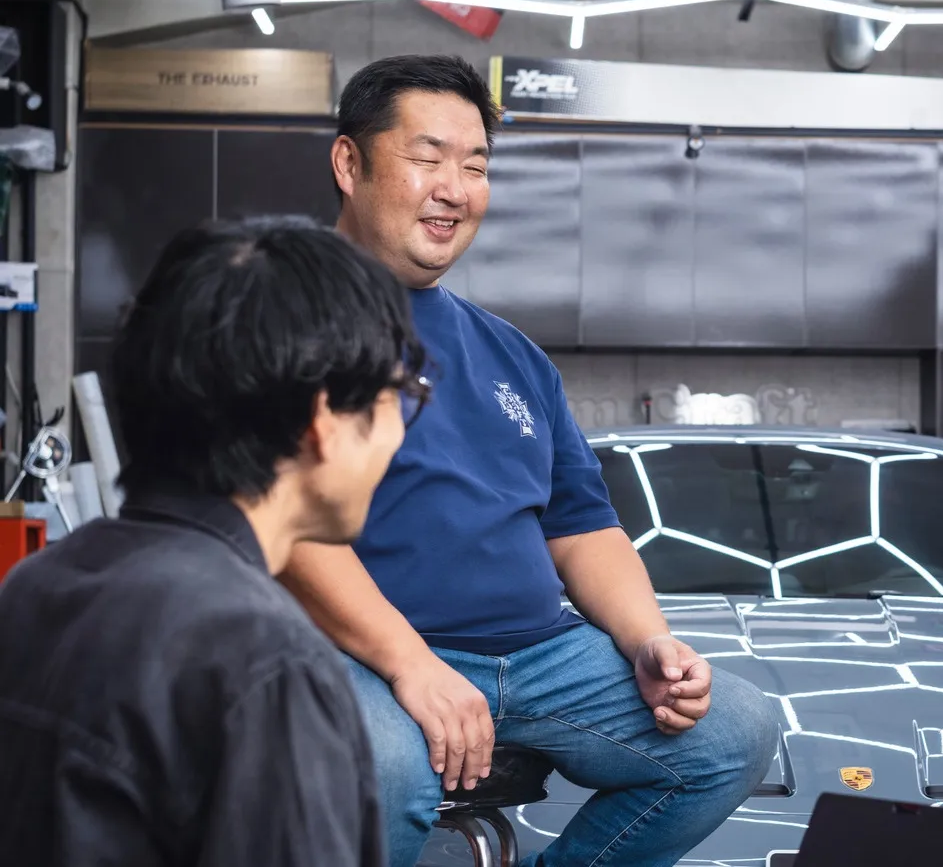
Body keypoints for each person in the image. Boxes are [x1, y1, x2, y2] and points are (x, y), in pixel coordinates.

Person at [276, 53, 781, 867]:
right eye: (428, 157)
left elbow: (582, 526)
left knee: (733, 733)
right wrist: (412, 666)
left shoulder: (510, 353)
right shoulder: (283, 321)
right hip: (362, 654)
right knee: (387, 770)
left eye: (475, 167)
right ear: (349, 163)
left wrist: (648, 643)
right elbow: (282, 526)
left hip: (544, 657)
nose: (455, 189)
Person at [0, 217, 429, 866]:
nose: (398, 436)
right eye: (398, 398)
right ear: (323, 420)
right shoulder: (266, 661)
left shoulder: (34, 585)